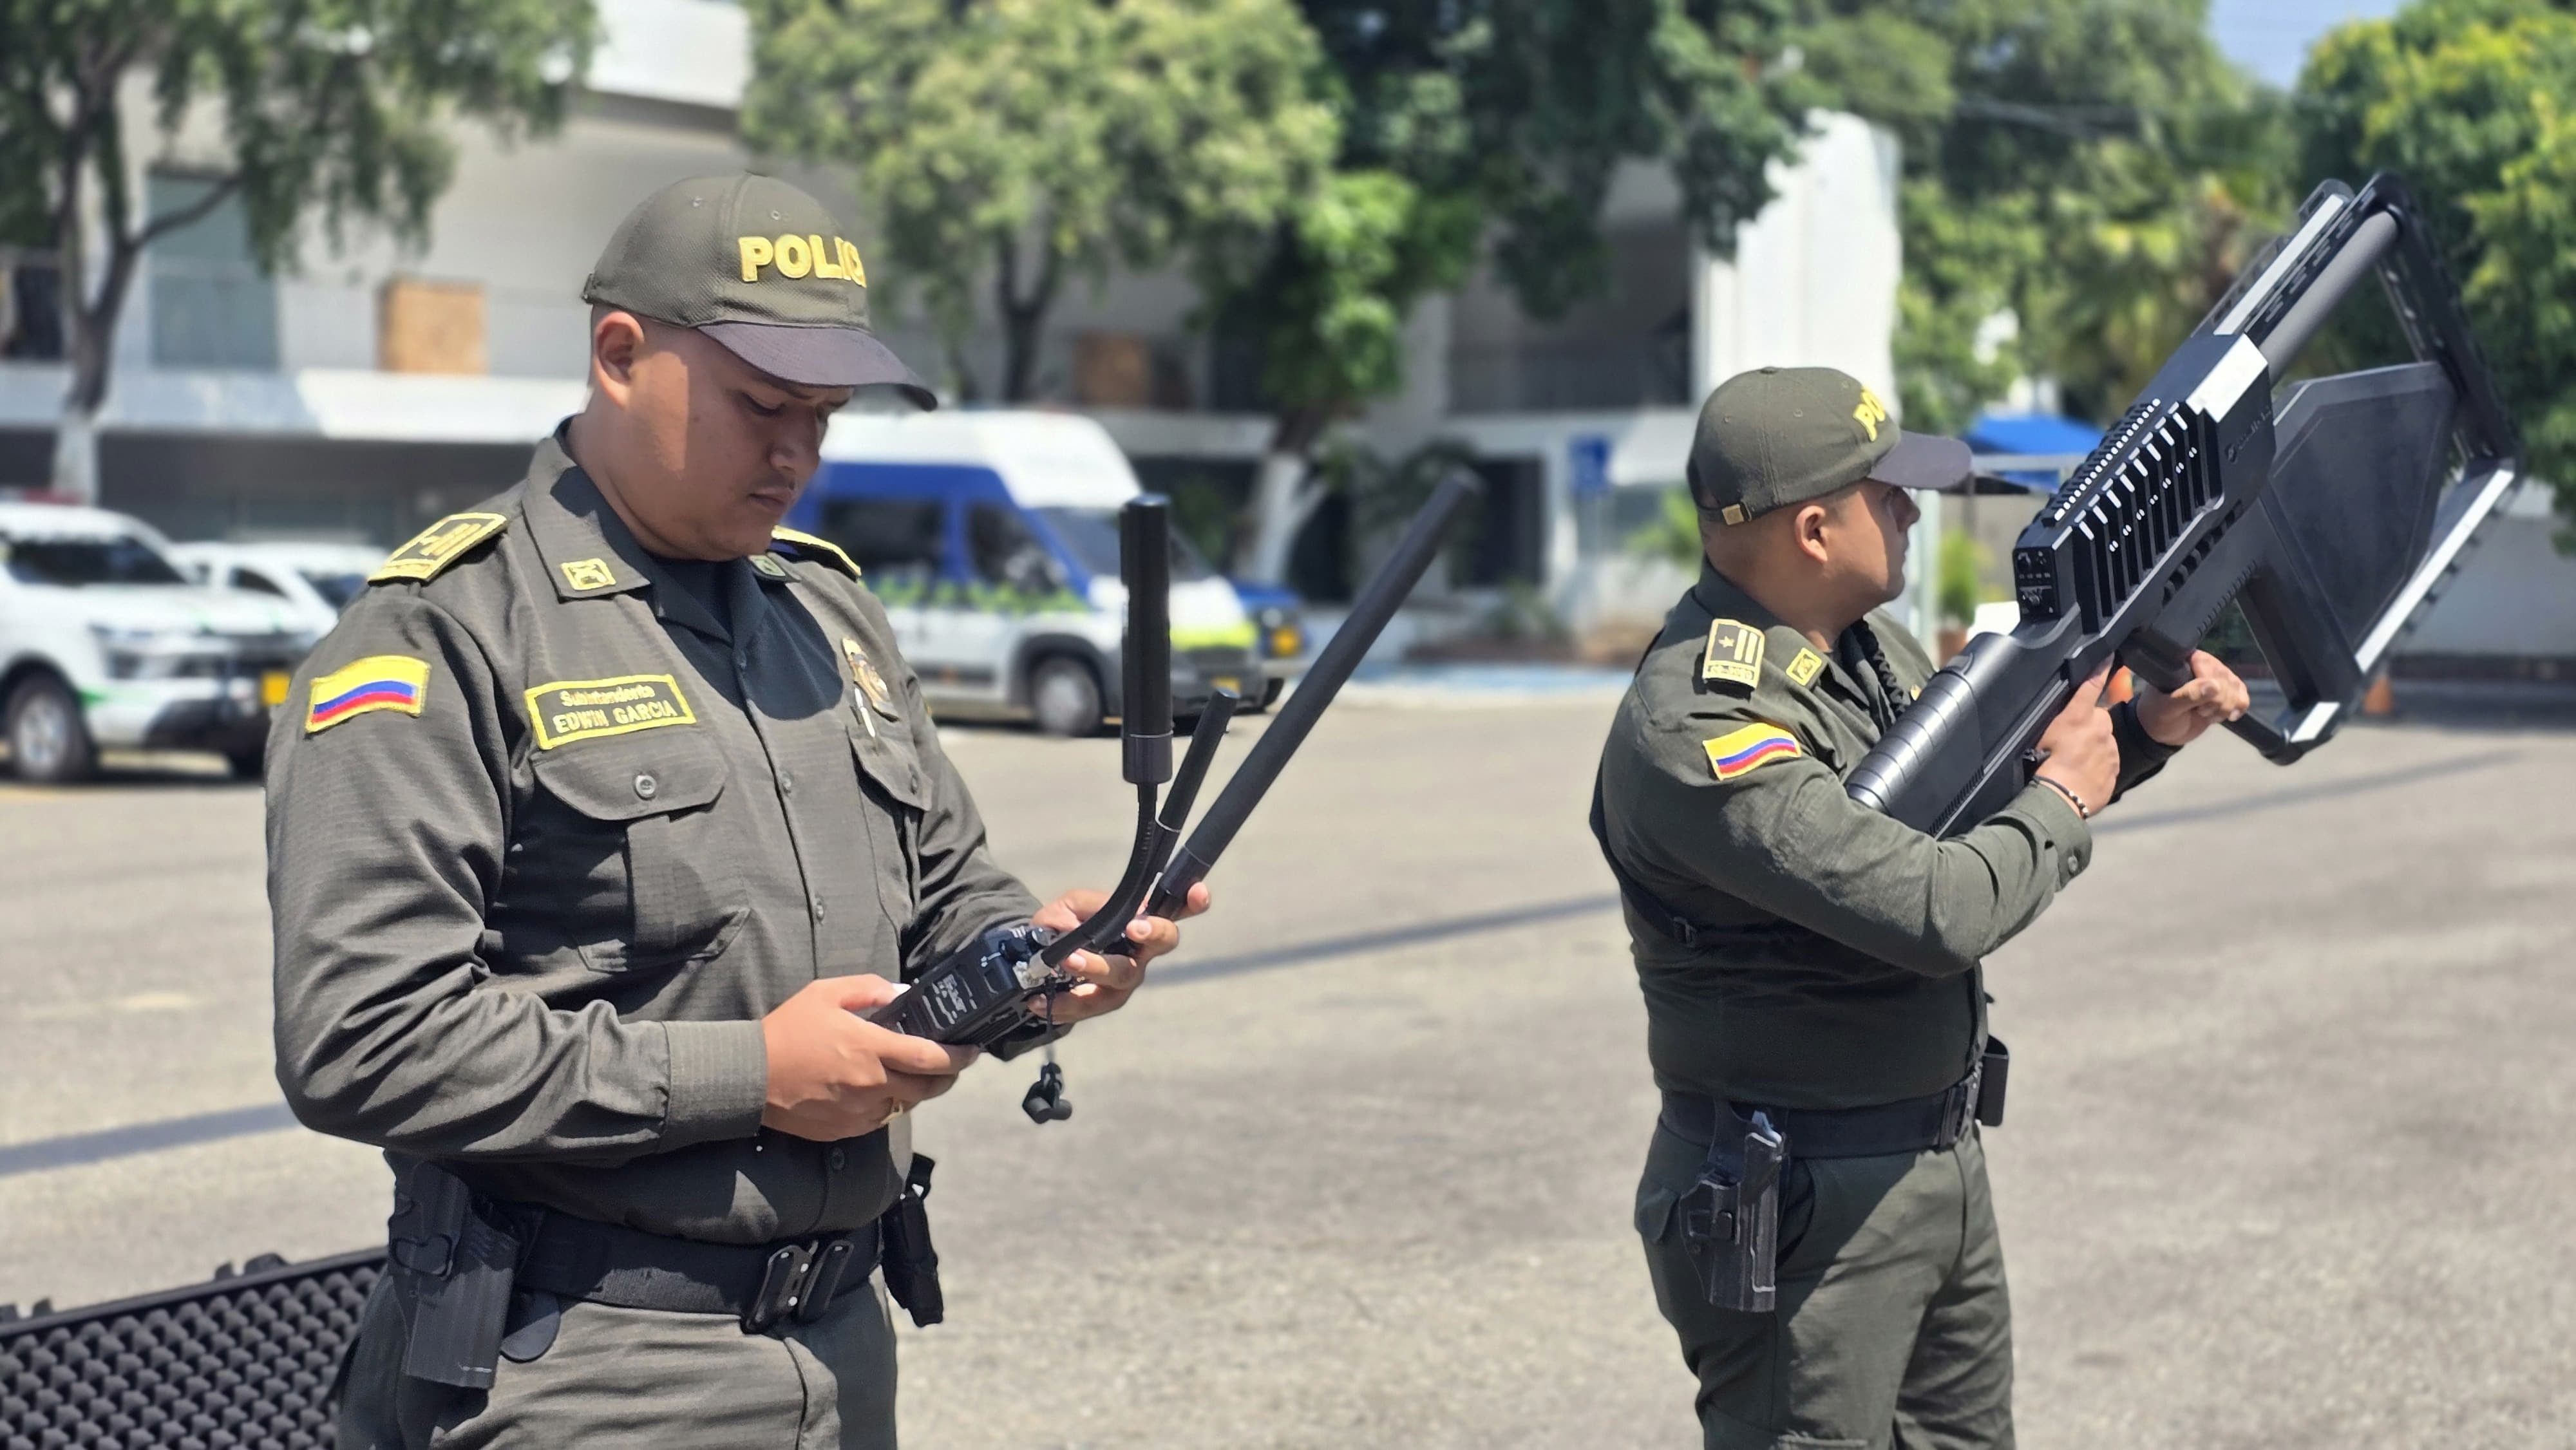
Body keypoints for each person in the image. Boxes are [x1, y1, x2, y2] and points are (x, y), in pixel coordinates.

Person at [266, 174, 1209, 1449]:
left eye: (821, 416)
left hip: (841, 1345)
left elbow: (946, 889)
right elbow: (360, 1034)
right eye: (763, 404)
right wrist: (753, 1075)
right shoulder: (447, 630)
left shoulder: (828, 616)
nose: (797, 455)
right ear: (617, 354)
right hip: (578, 1373)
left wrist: (1036, 961)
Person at [1594, 366, 2251, 1449]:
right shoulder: (1702, 728)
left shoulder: (1866, 651)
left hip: (1932, 1164)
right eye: (1886, 492)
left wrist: (2139, 741)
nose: (1912, 508)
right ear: (1813, 529)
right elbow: (1937, 906)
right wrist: (2069, 793)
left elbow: (1973, 817)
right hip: (1800, 1207)